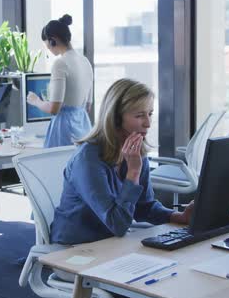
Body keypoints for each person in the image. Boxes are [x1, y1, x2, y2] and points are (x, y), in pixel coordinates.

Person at [50, 79, 194, 245]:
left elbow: (144, 207)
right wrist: (133, 173)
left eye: (150, 114)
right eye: (139, 115)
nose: (147, 123)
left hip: (112, 242)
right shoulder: (88, 159)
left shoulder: (135, 151)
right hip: (76, 247)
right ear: (115, 118)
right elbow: (117, 225)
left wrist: (179, 217)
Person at [26, 14, 93, 148]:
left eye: (47, 45)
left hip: (64, 130)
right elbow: (88, 106)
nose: (48, 49)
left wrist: (36, 101)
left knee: (57, 167)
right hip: (84, 127)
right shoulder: (85, 62)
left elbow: (54, 108)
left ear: (53, 40)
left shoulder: (60, 64)